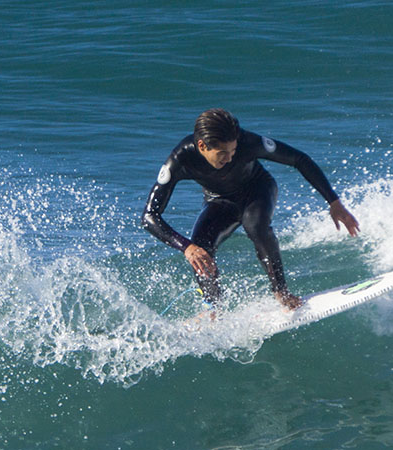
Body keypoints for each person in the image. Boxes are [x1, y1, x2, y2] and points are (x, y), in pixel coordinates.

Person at [141, 108, 360, 311]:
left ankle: (281, 292)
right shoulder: (181, 159)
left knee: (256, 227)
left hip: (257, 190)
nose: (230, 158)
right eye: (222, 154)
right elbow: (150, 216)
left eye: (233, 150)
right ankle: (213, 307)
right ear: (202, 146)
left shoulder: (248, 142)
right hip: (219, 201)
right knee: (201, 248)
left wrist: (334, 202)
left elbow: (299, 159)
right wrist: (186, 247)